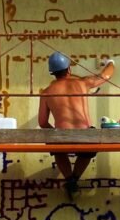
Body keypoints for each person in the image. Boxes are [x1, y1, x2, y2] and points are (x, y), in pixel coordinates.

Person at [38, 51, 115, 197]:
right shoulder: (82, 83)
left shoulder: (46, 92)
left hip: (61, 136)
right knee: (88, 147)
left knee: (57, 148)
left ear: (52, 72)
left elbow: (42, 122)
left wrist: (55, 132)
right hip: (84, 134)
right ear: (69, 69)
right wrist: (111, 62)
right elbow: (106, 76)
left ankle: (69, 179)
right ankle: (74, 178)